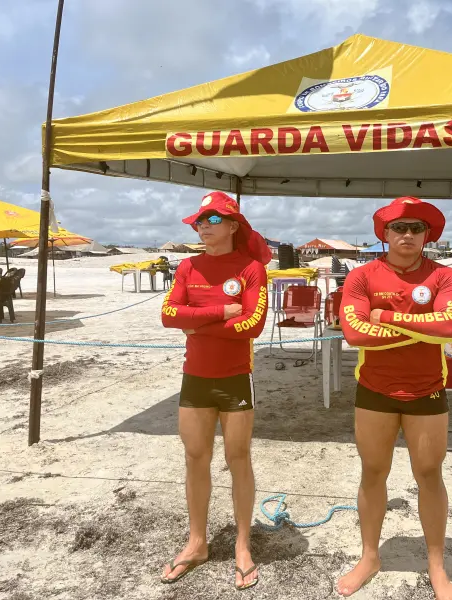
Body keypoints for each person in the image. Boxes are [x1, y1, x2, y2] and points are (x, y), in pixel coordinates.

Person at [337, 197, 452, 600]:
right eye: (398, 227)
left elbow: (451, 328)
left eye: (415, 228)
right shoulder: (361, 277)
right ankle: (370, 556)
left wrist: (387, 317)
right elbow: (354, 334)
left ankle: (436, 566)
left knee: (429, 475)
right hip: (374, 390)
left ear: (427, 235)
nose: (406, 234)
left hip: (427, 389)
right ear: (385, 233)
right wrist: (423, 327)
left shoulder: (444, 276)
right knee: (373, 472)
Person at [160, 191, 271, 590]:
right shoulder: (188, 267)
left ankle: (243, 545)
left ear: (233, 225)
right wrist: (220, 312)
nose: (203, 227)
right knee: (195, 458)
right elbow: (168, 315)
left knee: (238, 458)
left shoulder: (252, 269)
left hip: (235, 378)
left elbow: (253, 326)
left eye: (212, 220)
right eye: (199, 222)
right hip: (196, 378)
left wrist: (196, 323)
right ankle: (197, 542)